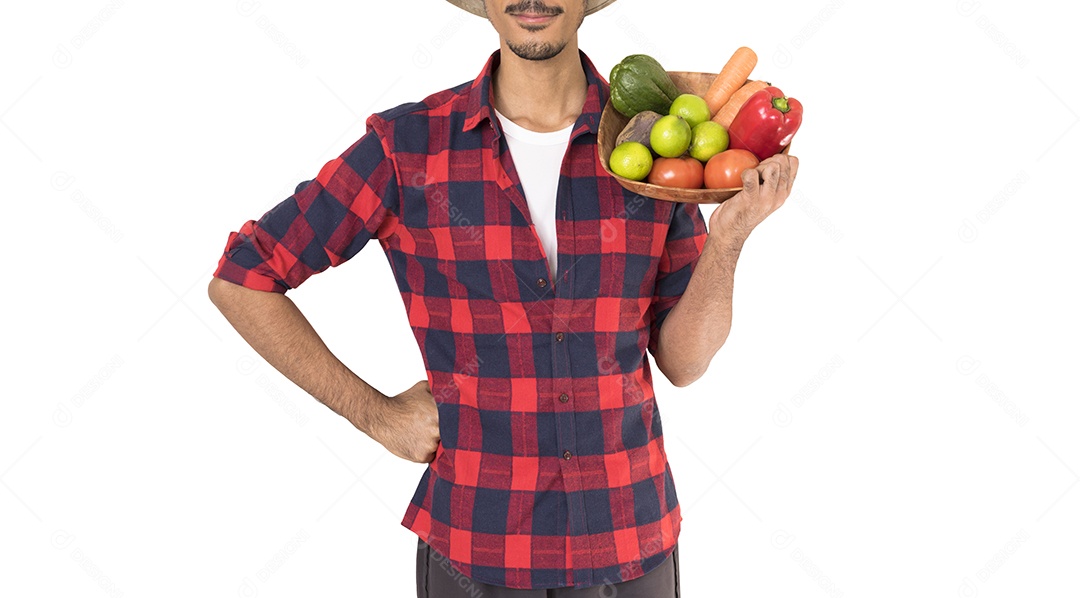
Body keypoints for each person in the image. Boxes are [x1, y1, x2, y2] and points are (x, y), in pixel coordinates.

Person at [208, 0, 798, 595]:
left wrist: (729, 239)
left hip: (629, 538)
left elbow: (685, 362)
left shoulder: (649, 146)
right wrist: (376, 415)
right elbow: (243, 277)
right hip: (476, 546)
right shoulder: (408, 147)